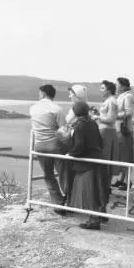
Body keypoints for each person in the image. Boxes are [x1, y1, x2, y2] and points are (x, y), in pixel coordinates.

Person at [67, 101, 110, 230]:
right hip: (98, 159)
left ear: (76, 112)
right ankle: (101, 213)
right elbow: (100, 142)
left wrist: (71, 153)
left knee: (90, 191)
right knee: (99, 188)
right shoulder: (92, 123)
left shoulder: (79, 126)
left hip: (87, 164)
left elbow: (79, 146)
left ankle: (94, 220)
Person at [29, 84, 67, 215]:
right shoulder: (57, 109)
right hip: (54, 145)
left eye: (40, 93)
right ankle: (71, 200)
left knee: (48, 175)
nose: (39, 95)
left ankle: (58, 204)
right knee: (63, 173)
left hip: (39, 146)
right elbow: (63, 130)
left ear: (44, 94)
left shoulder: (33, 108)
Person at [91, 80, 120, 182]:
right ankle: (105, 184)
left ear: (109, 90)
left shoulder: (111, 101)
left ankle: (104, 184)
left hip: (107, 132)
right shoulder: (110, 100)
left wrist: (97, 117)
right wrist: (99, 114)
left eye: (103, 88)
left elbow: (111, 119)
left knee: (105, 157)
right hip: (106, 131)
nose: (101, 90)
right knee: (106, 157)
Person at [113, 77, 134, 190]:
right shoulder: (123, 96)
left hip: (124, 130)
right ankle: (121, 179)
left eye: (117, 84)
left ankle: (128, 182)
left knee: (126, 155)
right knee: (122, 154)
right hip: (120, 129)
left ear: (123, 86)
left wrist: (114, 116)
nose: (116, 86)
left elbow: (129, 112)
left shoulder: (127, 96)